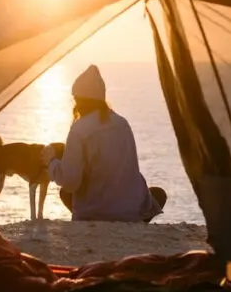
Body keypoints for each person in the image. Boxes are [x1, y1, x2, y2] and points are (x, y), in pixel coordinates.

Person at [40, 64, 166, 222]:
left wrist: (52, 162)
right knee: (157, 194)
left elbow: (71, 182)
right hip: (128, 210)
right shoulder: (122, 123)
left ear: (78, 99)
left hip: (95, 212)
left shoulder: (79, 129)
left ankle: (96, 217)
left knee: (65, 193)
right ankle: (131, 216)